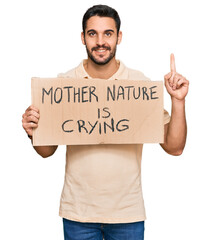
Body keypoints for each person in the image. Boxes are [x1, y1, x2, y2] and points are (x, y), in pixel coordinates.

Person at [22, 4, 189, 240]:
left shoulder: (138, 85)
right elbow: (46, 151)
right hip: (78, 214)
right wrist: (33, 131)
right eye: (93, 33)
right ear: (83, 38)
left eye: (108, 33)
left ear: (119, 37)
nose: (101, 41)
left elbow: (175, 147)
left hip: (127, 215)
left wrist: (178, 101)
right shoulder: (63, 85)